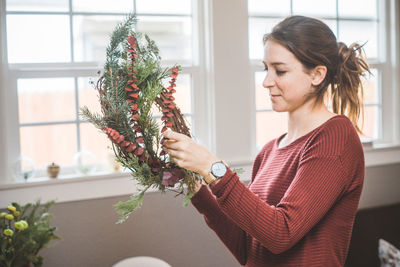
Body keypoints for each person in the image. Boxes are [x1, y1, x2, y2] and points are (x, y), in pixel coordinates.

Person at [162, 15, 370, 267]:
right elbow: (247, 247)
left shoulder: (335, 138)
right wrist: (196, 186)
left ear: (317, 74)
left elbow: (281, 234)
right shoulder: (270, 151)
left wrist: (212, 167)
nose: (266, 81)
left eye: (280, 70)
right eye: (266, 68)